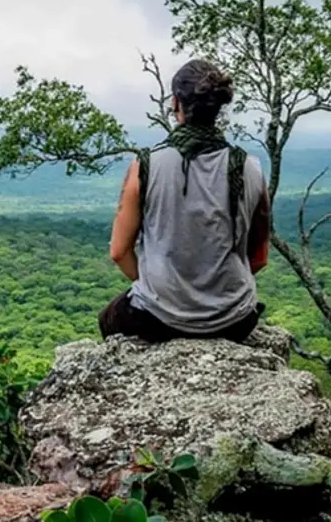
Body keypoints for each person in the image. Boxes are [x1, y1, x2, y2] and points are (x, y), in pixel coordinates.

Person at [99, 59, 271, 343]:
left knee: (108, 319)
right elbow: (259, 257)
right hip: (235, 320)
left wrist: (163, 290)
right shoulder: (250, 168)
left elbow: (119, 251)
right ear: (218, 108)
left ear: (176, 103)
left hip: (159, 318)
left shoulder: (146, 166)